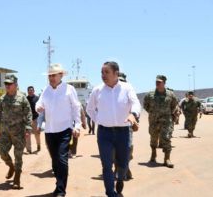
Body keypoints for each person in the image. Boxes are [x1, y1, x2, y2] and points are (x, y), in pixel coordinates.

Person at [86, 61, 140, 197]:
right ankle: (110, 193)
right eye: (102, 73)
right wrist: (99, 120)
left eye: (106, 72)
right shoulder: (97, 90)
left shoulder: (127, 88)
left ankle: (120, 178)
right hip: (104, 133)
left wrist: (133, 114)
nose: (103, 75)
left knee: (123, 162)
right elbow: (90, 109)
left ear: (116, 74)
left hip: (123, 132)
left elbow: (135, 102)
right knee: (106, 164)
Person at [36, 63, 81, 197]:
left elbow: (76, 107)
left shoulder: (69, 89)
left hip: (65, 130)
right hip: (50, 131)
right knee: (55, 161)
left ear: (61, 75)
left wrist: (77, 125)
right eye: (50, 75)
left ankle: (61, 190)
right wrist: (38, 107)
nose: (51, 78)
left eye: (54, 75)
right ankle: (58, 184)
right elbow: (39, 103)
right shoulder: (46, 90)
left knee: (62, 159)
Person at [0, 74, 32, 189]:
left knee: (18, 156)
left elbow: (28, 113)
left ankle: (17, 179)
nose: (7, 86)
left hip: (19, 132)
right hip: (5, 132)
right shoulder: (2, 99)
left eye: (10, 84)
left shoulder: (22, 98)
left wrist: (28, 128)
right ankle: (11, 167)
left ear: (15, 84)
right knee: (2, 153)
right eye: (6, 84)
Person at [143, 75, 178, 168]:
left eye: (159, 82)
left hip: (166, 120)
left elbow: (174, 105)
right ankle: (153, 153)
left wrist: (169, 113)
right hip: (153, 120)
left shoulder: (170, 94)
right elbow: (145, 105)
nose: (157, 83)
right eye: (156, 82)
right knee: (153, 137)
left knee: (166, 137)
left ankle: (167, 159)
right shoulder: (150, 94)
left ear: (164, 83)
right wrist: (152, 113)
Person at [25, 86, 41, 154]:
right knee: (27, 135)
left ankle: (38, 145)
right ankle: (29, 150)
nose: (30, 91)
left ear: (34, 91)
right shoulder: (25, 99)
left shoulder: (37, 98)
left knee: (37, 134)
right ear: (27, 91)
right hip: (28, 119)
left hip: (36, 118)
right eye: (29, 90)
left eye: (31, 90)